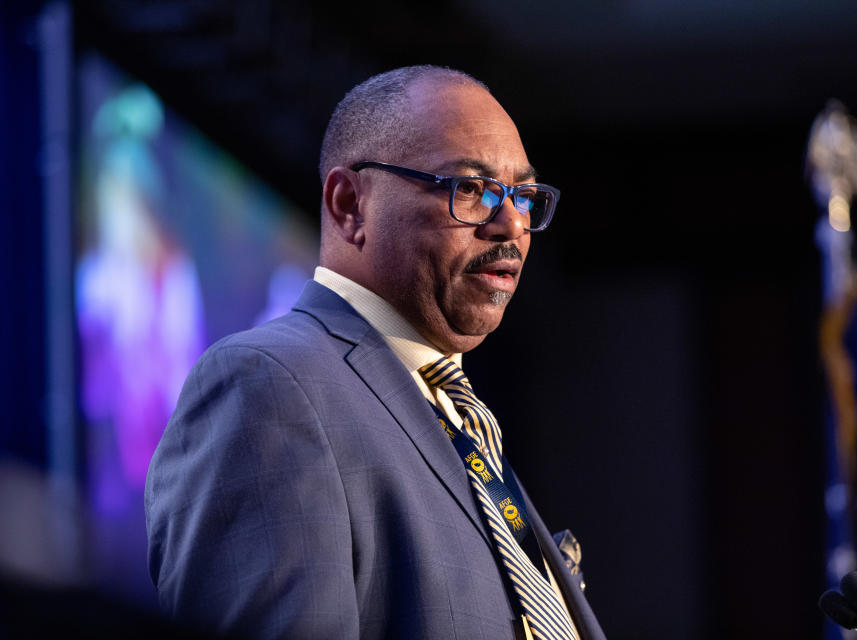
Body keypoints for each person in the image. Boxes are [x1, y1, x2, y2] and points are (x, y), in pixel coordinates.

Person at [145, 65, 606, 640]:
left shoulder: (462, 420)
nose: (512, 223)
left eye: (523, 195)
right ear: (348, 205)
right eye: (471, 188)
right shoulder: (269, 387)